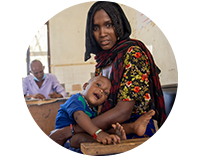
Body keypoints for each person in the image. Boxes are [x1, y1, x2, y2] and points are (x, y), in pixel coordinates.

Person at [29, 1, 168, 156]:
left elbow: (123, 112)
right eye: (96, 28)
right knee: (35, 152)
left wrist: (67, 132)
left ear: (118, 24)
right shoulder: (103, 61)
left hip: (131, 130)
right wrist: (72, 133)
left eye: (108, 25)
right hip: (104, 128)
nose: (102, 33)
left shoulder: (132, 54)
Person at [29, 76, 126, 156]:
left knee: (87, 137)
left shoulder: (94, 110)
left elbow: (91, 127)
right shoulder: (76, 99)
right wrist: (98, 134)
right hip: (65, 140)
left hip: (77, 137)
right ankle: (106, 145)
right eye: (98, 85)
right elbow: (79, 116)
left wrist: (111, 134)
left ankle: (114, 140)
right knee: (81, 138)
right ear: (85, 86)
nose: (101, 91)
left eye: (105, 93)